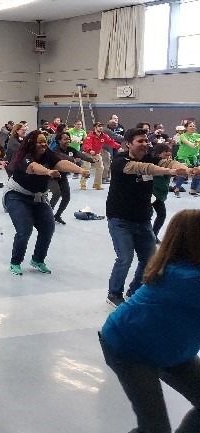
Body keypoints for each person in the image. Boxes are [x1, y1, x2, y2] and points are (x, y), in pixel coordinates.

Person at [99, 209, 200, 433]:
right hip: (129, 348)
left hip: (172, 349)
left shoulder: (182, 270)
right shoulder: (185, 278)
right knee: (154, 428)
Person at [105, 128, 193, 307]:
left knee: (150, 259)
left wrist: (183, 168)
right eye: (140, 141)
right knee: (125, 258)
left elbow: (168, 162)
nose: (145, 144)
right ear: (128, 143)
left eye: (146, 141)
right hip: (120, 219)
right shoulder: (120, 161)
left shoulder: (150, 157)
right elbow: (145, 168)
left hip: (143, 219)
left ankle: (135, 290)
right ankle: (114, 293)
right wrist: (170, 172)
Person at [4, 130, 88, 275]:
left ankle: (38, 259)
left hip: (39, 196)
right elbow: (33, 168)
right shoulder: (23, 156)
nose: (43, 144)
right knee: (24, 230)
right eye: (39, 142)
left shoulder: (48, 153)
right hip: (17, 195)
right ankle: (15, 262)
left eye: (45, 141)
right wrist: (48, 172)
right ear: (31, 143)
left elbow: (61, 163)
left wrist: (80, 170)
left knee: (48, 228)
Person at [50, 131, 95, 224]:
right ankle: (48, 214)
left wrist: (91, 159)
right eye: (65, 139)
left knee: (67, 197)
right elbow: (63, 158)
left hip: (62, 176)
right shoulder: (55, 150)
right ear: (59, 141)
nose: (68, 141)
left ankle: (57, 215)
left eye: (68, 139)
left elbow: (80, 155)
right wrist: (73, 160)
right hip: (52, 176)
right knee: (56, 193)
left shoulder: (71, 149)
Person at [81, 122, 119, 190]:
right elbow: (86, 144)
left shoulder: (104, 136)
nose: (101, 127)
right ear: (95, 127)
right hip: (87, 154)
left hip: (97, 154)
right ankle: (83, 184)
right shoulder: (90, 135)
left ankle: (97, 184)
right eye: (99, 126)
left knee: (100, 168)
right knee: (87, 168)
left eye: (101, 126)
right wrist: (90, 150)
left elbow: (111, 142)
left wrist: (118, 147)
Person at [151, 143, 172, 243]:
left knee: (161, 214)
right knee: (159, 214)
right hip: (152, 193)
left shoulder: (167, 162)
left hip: (159, 193)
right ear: (159, 154)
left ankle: (153, 234)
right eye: (166, 151)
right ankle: (152, 235)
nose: (169, 153)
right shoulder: (155, 164)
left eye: (169, 151)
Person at [173, 121, 200, 196]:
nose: (193, 127)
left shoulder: (197, 136)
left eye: (194, 126)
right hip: (183, 157)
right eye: (190, 126)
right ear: (186, 128)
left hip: (194, 157)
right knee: (184, 172)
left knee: (197, 172)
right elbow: (190, 145)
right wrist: (198, 143)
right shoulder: (183, 136)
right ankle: (177, 188)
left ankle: (193, 190)